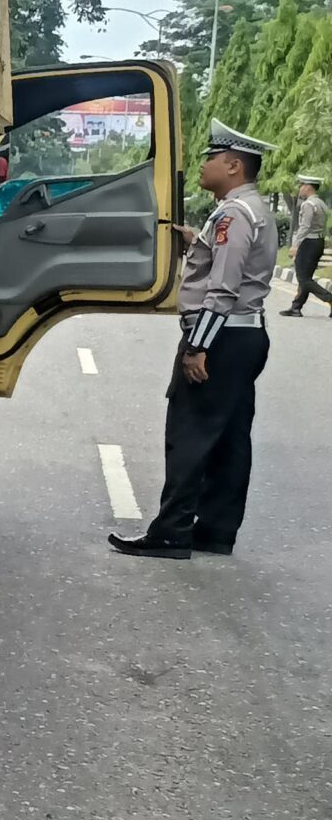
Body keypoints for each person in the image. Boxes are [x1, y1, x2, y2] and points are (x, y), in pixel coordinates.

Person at [111, 122, 278, 560]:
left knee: (189, 432)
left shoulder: (231, 215)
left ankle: (171, 531)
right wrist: (196, 242)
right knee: (229, 436)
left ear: (234, 165)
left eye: (211, 158)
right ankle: (217, 530)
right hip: (246, 334)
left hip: (220, 337)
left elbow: (222, 287)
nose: (203, 166)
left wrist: (197, 346)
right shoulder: (253, 209)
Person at [283, 172, 328, 316]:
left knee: (303, 278)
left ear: (308, 187)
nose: (300, 188)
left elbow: (305, 226)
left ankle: (329, 297)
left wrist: (295, 244)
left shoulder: (309, 204)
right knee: (306, 277)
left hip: (309, 242)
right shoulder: (321, 203)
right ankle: (296, 307)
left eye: (302, 185)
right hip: (318, 242)